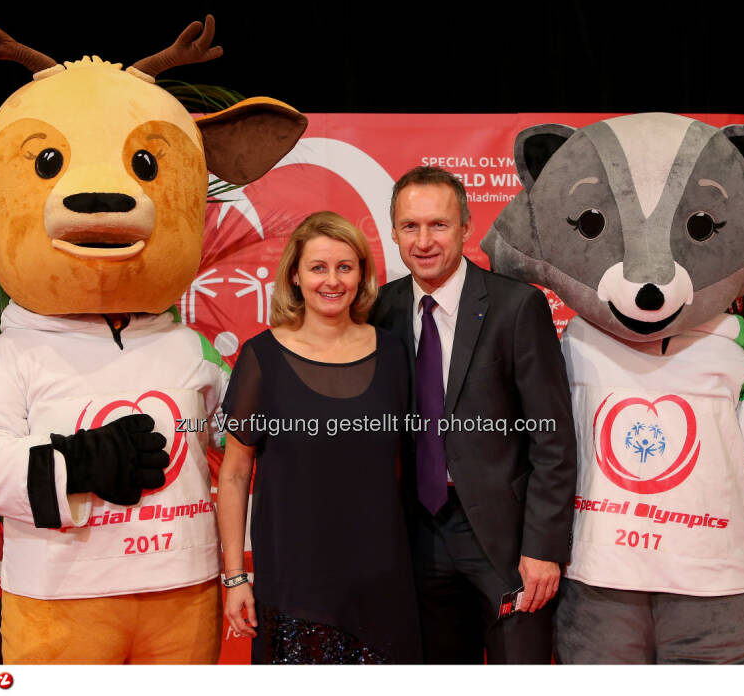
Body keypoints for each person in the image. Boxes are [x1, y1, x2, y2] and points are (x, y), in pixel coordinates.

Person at [368, 166, 577, 663]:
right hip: (418, 534)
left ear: (466, 227)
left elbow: (553, 438)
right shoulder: (379, 310)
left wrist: (545, 548)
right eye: (410, 226)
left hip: (507, 541)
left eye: (438, 225)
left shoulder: (516, 307)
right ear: (393, 231)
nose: (423, 241)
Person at [217, 211, 421, 664]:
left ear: (362, 275)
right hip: (293, 588)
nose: (332, 281)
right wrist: (234, 577)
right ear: (295, 274)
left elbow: (410, 462)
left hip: (381, 584)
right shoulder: (262, 358)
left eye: (345, 267)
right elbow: (233, 474)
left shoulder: (392, 353)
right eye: (318, 267)